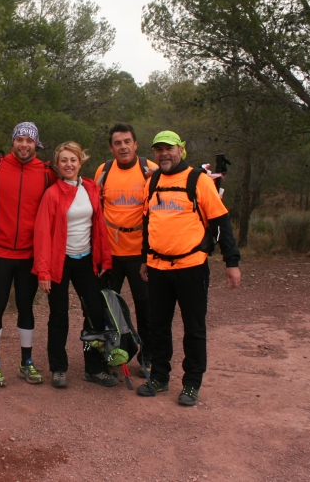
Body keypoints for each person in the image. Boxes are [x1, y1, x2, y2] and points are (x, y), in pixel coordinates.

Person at [137, 131, 241, 406]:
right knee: (158, 326)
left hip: (191, 267)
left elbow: (220, 223)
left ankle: (192, 383)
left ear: (181, 150)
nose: (163, 154)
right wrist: (145, 257)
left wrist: (231, 262)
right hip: (158, 267)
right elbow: (148, 223)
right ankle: (159, 377)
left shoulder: (198, 180)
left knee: (193, 328)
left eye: (169, 149)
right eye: (159, 149)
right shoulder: (152, 182)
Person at [33, 141, 115, 388]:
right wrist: (43, 271)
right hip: (61, 261)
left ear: (80, 162)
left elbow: (99, 227)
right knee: (59, 315)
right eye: (64, 160)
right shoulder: (52, 194)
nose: (69, 164)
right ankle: (58, 368)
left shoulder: (91, 188)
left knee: (94, 313)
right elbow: (42, 234)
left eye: (73, 160)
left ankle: (94, 367)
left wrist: (104, 258)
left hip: (86, 259)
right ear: (57, 165)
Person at [0, 122, 57, 387]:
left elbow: (72, 185)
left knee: (26, 307)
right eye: (20, 139)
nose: (24, 144)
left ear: (37, 144)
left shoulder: (47, 172)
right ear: (12, 141)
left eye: (29, 140)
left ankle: (26, 361)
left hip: (29, 255)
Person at [94, 122, 157, 377]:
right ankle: (111, 354)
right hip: (111, 253)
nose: (123, 147)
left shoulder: (150, 169)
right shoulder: (104, 170)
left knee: (146, 307)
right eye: (117, 143)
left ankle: (147, 356)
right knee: (108, 307)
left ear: (136, 144)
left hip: (141, 253)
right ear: (111, 148)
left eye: (127, 142)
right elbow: (96, 207)